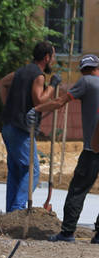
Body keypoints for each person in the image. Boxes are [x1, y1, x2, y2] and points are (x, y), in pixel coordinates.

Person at [0, 41, 63, 212]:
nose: (54, 60)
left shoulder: (21, 71)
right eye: (53, 57)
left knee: (15, 171)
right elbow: (39, 100)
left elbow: (2, 83)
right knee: (32, 171)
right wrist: (53, 86)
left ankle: (10, 213)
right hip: (21, 129)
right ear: (46, 57)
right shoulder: (38, 75)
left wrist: (9, 107)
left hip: (9, 125)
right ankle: (18, 209)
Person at [48, 54, 99, 244]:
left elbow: (60, 102)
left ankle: (67, 232)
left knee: (78, 190)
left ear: (83, 70)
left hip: (92, 149)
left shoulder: (85, 82)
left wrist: (37, 110)